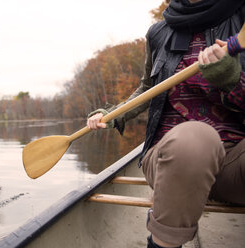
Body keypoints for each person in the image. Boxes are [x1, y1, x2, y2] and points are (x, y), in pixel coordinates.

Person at [86, 0, 245, 247]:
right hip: (172, 157)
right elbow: (147, 88)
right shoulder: (158, 33)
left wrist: (231, 80)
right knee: (196, 139)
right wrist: (113, 114)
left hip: (234, 162)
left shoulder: (240, 18)